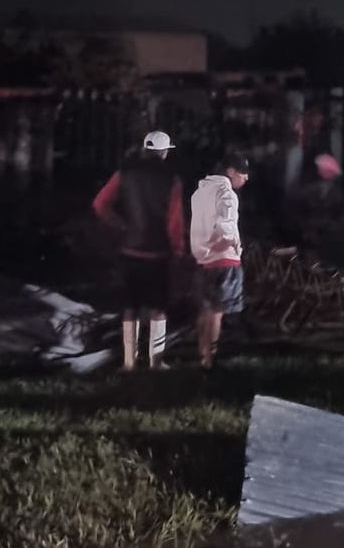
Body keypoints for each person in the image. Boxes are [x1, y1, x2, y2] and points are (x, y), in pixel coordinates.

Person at [92, 130, 185, 371]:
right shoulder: (172, 179)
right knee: (158, 308)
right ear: (164, 152)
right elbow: (175, 221)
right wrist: (177, 250)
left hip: (129, 249)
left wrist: (120, 225)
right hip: (158, 252)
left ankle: (129, 361)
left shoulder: (124, 174)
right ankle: (156, 361)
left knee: (129, 308)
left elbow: (100, 204)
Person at [190, 152, 250, 370]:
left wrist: (203, 250)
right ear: (231, 172)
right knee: (217, 311)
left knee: (205, 310)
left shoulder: (199, 192)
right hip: (225, 260)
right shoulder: (227, 194)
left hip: (203, 259)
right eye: (243, 173)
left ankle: (201, 354)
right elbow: (225, 224)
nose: (246, 178)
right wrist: (231, 243)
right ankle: (210, 359)